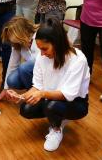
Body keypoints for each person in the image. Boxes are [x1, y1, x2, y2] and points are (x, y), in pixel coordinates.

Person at [18, 18, 90, 152]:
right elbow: (37, 86)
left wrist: (42, 94)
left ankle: (56, 129)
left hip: (76, 103)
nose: (42, 54)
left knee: (52, 106)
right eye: (39, 49)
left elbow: (68, 95)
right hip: (50, 98)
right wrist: (21, 96)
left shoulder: (78, 60)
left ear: (58, 43)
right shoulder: (42, 56)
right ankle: (57, 116)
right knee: (25, 109)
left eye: (45, 49)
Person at [0, 17, 40, 102]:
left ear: (20, 32)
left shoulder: (39, 36)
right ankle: (30, 92)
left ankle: (34, 95)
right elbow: (12, 64)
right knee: (11, 80)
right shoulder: (17, 44)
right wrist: (5, 89)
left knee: (24, 68)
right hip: (34, 73)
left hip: (46, 73)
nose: (12, 42)